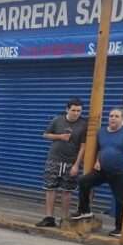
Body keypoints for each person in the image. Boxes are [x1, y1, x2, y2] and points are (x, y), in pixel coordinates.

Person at [71, 109, 123, 238]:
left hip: (120, 172)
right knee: (83, 181)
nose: (113, 118)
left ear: (122, 119)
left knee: (121, 200)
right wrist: (97, 160)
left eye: (117, 116)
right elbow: (101, 148)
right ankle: (85, 210)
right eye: (111, 116)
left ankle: (119, 229)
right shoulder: (101, 132)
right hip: (102, 171)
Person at [37, 98, 87, 228]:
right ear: (67, 109)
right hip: (54, 159)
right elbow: (46, 135)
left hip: (71, 161)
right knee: (50, 188)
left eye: (79, 111)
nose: (76, 113)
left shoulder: (83, 124)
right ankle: (49, 218)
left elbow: (83, 146)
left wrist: (77, 164)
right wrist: (60, 137)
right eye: (73, 110)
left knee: (67, 190)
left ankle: (64, 219)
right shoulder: (57, 120)